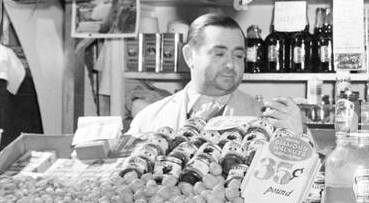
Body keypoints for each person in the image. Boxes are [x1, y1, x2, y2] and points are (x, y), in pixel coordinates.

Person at [128, 12, 305, 137]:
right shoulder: (147, 119)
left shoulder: (266, 118)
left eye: (238, 55)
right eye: (219, 54)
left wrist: (298, 136)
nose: (231, 64)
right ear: (190, 56)